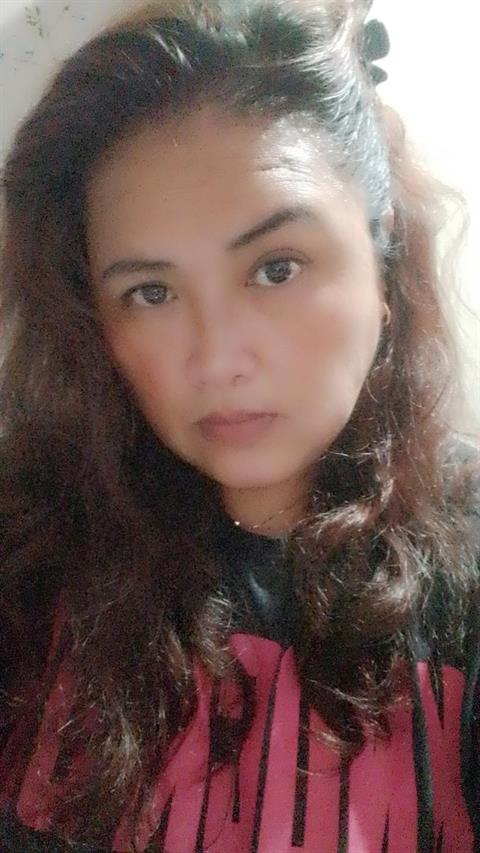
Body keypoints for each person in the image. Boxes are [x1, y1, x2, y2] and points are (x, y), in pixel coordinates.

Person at [0, 0, 478, 850]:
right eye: (151, 292)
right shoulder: (29, 546)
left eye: (277, 267)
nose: (217, 358)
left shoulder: (464, 580)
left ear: (384, 260)